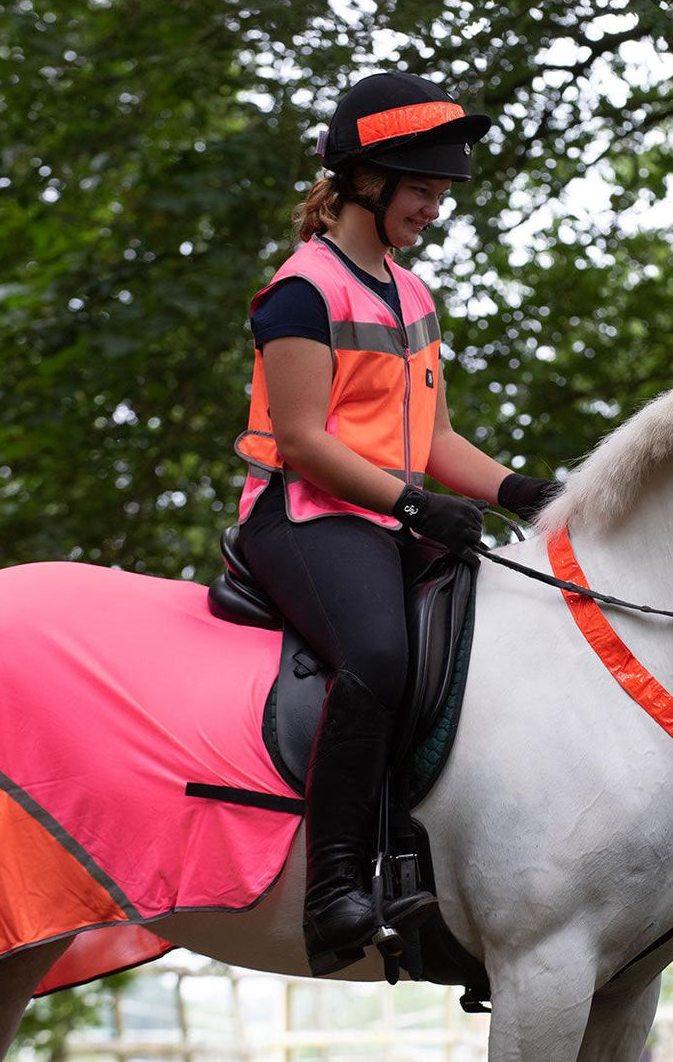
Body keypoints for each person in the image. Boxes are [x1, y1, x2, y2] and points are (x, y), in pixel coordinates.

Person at [232, 71, 560, 976]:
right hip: (303, 517)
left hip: (385, 518)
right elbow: (300, 439)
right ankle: (334, 886)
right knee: (378, 658)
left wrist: (523, 491)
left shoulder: (410, 297)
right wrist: (413, 504)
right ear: (364, 183)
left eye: (439, 192)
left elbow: (435, 439)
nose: (433, 208)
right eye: (420, 189)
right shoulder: (300, 292)